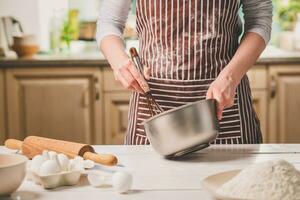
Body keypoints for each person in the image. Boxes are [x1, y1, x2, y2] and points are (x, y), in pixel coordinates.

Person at [97, 0, 272, 145]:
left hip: (224, 108)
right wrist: (118, 61)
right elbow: (109, 22)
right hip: (153, 107)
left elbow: (259, 20)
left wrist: (230, 77)